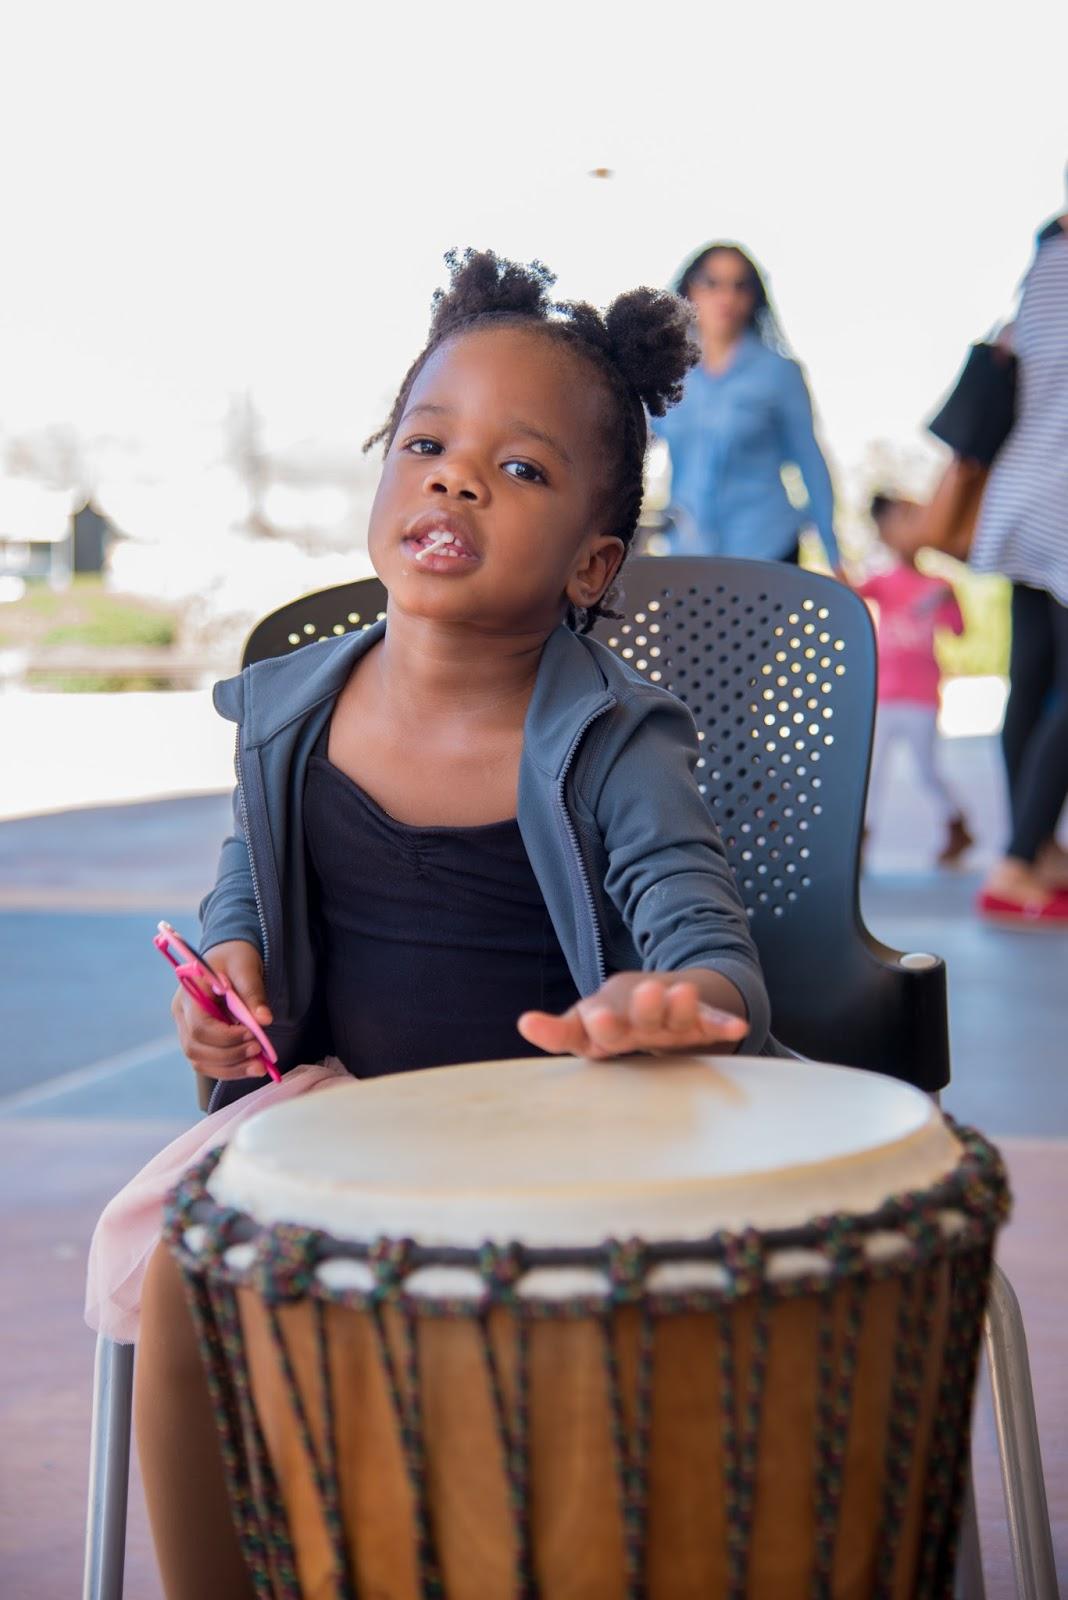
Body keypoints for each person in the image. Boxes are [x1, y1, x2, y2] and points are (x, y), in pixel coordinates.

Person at [91, 249, 778, 1600]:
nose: (458, 477)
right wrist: (231, 964)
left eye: (520, 469)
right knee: (188, 1276)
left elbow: (707, 947)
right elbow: (252, 877)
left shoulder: (609, 739)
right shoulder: (291, 710)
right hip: (345, 1121)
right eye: (428, 443)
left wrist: (671, 1003)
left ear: (592, 560)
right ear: (383, 475)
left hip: (554, 1137)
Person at [969, 208, 1068, 924]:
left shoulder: (1044, 268)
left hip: (1021, 491)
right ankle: (1015, 861)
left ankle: (1032, 850)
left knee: (1030, 678)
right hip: (1064, 494)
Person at [650, 241, 843, 575]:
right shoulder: (667, 370)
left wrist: (834, 555)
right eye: (711, 282)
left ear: (754, 297)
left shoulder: (778, 372)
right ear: (689, 289)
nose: (726, 297)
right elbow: (632, 446)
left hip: (766, 547)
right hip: (686, 551)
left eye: (740, 286)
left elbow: (810, 459)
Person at [857, 494, 972, 865]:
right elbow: (850, 593)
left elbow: (957, 630)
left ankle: (956, 823)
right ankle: (860, 836)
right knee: (872, 771)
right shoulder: (884, 580)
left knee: (927, 769)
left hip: (922, 695)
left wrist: (951, 598)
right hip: (886, 693)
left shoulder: (937, 584)